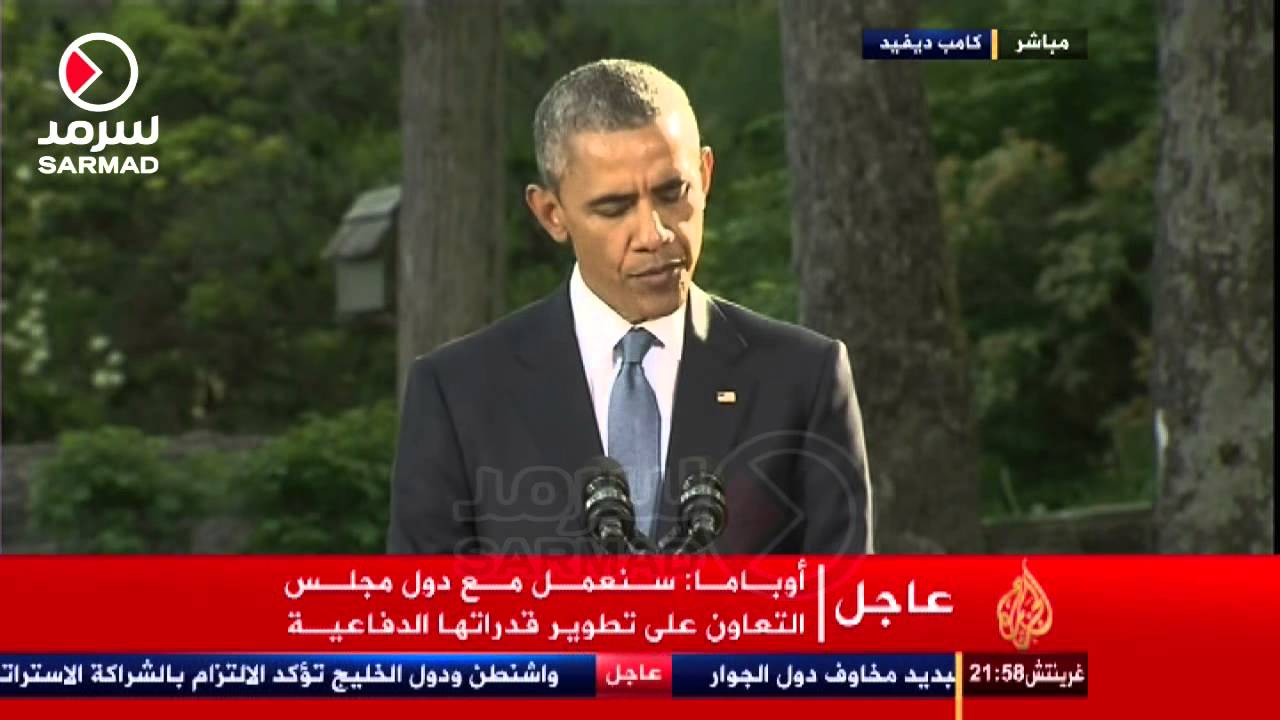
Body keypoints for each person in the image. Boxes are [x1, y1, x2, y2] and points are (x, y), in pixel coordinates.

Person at [388, 59, 872, 555]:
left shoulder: (804, 378)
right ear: (552, 214)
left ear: (705, 175)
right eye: (614, 208)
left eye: (672, 193)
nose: (654, 233)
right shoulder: (458, 393)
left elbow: (845, 595)